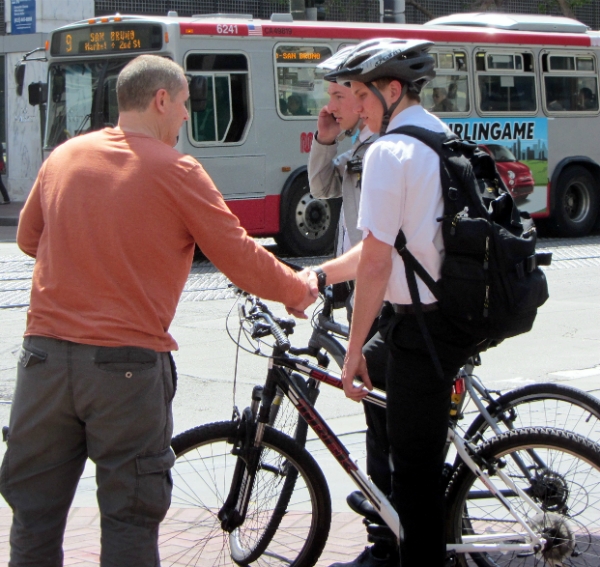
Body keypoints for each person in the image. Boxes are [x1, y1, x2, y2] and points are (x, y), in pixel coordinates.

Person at [0, 54, 317, 567]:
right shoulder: (178, 170)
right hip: (124, 370)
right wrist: (297, 290)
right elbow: (237, 254)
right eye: (186, 104)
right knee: (129, 518)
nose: (188, 117)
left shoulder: (64, 156)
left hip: (43, 364)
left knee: (33, 515)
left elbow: (28, 240)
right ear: (161, 100)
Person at [313, 38, 484, 567]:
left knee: (415, 484)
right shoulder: (437, 134)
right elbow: (385, 241)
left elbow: (377, 262)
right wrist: (319, 274)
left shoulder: (389, 151)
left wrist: (353, 350)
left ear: (392, 91)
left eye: (361, 97)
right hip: (454, 315)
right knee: (415, 457)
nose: (355, 108)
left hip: (421, 332)